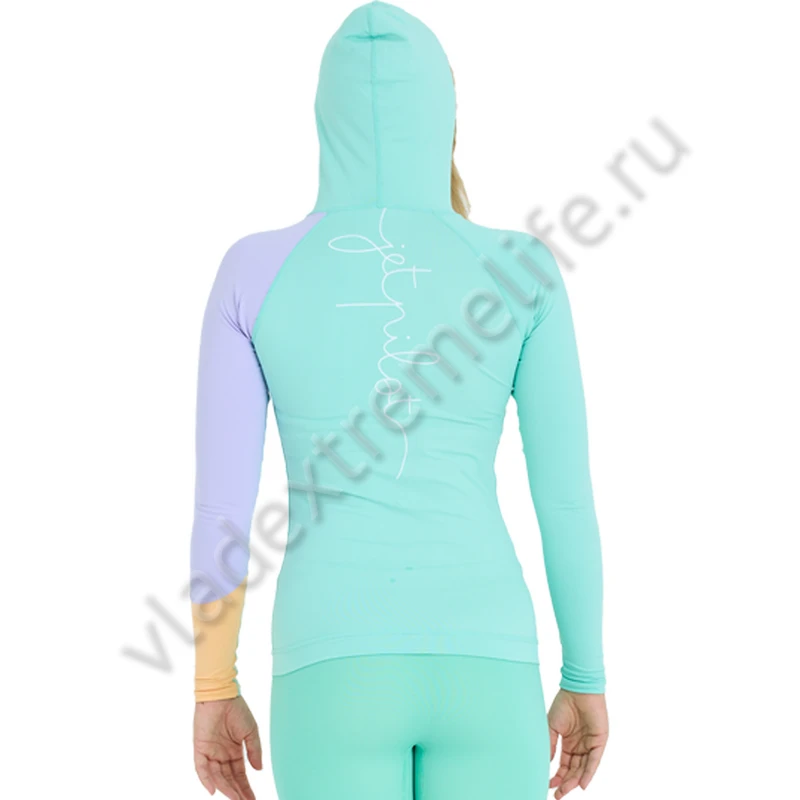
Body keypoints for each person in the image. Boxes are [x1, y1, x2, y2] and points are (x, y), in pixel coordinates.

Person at [189, 2, 609, 799]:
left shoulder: (252, 272)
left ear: (325, 117)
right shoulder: (523, 271)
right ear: (446, 116)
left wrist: (214, 685)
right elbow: (564, 499)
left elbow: (223, 510)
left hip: (329, 668)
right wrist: (584, 674)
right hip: (488, 660)